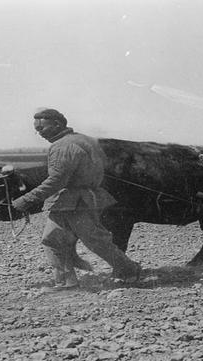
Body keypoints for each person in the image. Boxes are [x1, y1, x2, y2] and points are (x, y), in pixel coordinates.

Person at [11, 108, 141, 289]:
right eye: (36, 129)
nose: (39, 133)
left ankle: (129, 270)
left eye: (42, 128)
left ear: (57, 124)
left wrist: (24, 200)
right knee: (53, 239)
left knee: (95, 241)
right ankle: (66, 282)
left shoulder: (62, 146)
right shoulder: (84, 139)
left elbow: (56, 181)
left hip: (76, 201)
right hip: (75, 199)